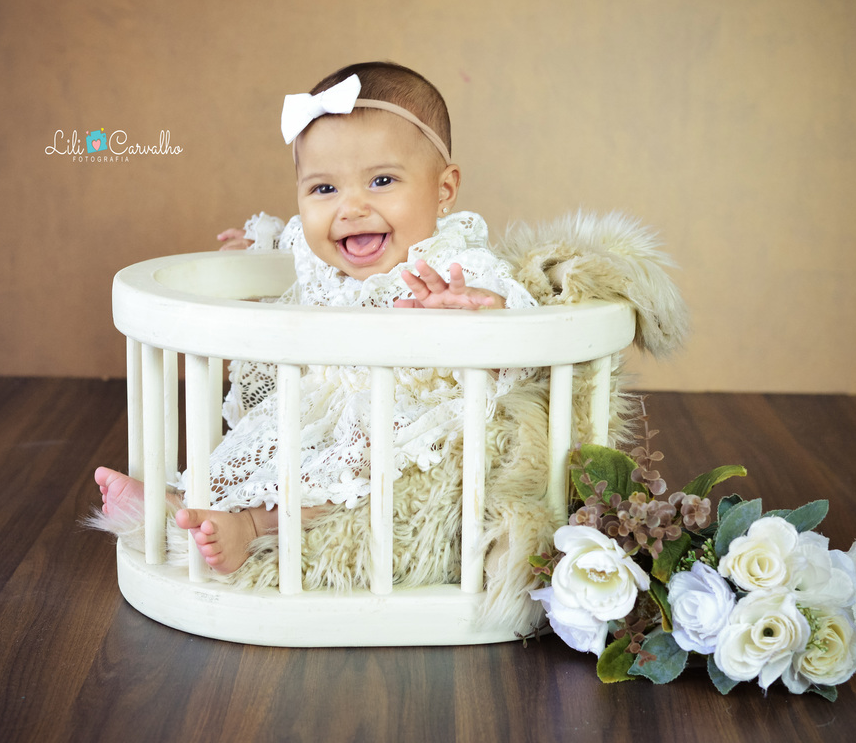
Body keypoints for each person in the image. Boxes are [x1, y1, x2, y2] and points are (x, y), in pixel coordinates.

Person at [92, 62, 537, 576]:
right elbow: (290, 238)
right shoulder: (313, 247)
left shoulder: (453, 256)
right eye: (324, 190)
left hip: (402, 408)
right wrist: (256, 245)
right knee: (249, 455)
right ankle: (180, 503)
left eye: (382, 180)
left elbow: (516, 307)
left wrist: (477, 305)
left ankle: (251, 528)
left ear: (443, 188)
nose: (350, 208)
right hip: (315, 403)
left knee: (350, 479)